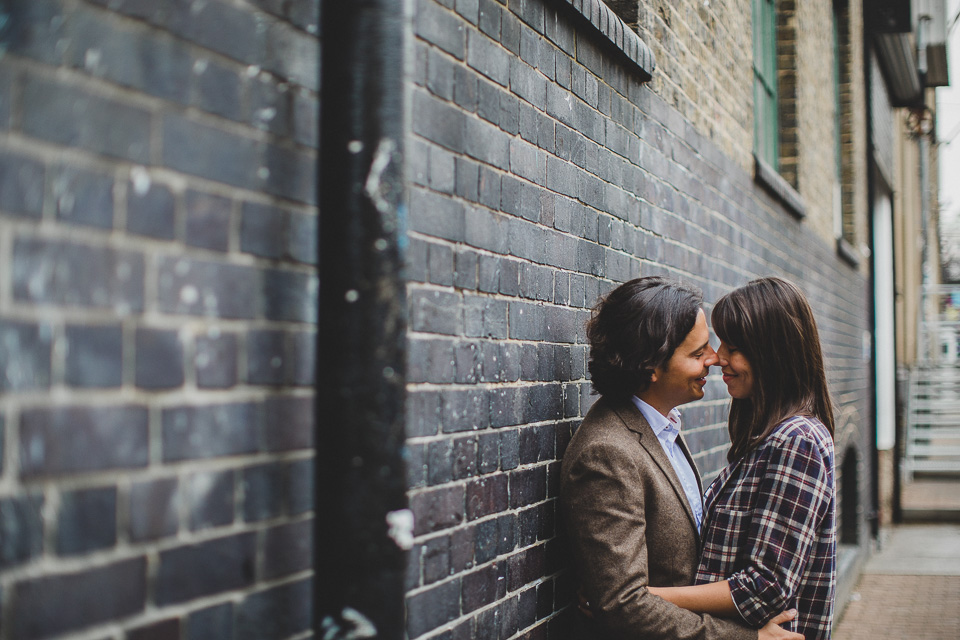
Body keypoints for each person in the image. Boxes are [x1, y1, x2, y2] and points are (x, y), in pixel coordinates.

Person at [560, 276, 802, 640]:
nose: (715, 360)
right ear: (651, 366)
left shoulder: (661, 428)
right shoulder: (607, 454)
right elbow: (624, 606)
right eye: (697, 352)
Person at [646, 277, 837, 640]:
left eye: (733, 346)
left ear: (772, 353)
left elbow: (765, 587)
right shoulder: (765, 438)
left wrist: (647, 599)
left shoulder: (798, 441)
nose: (718, 358)